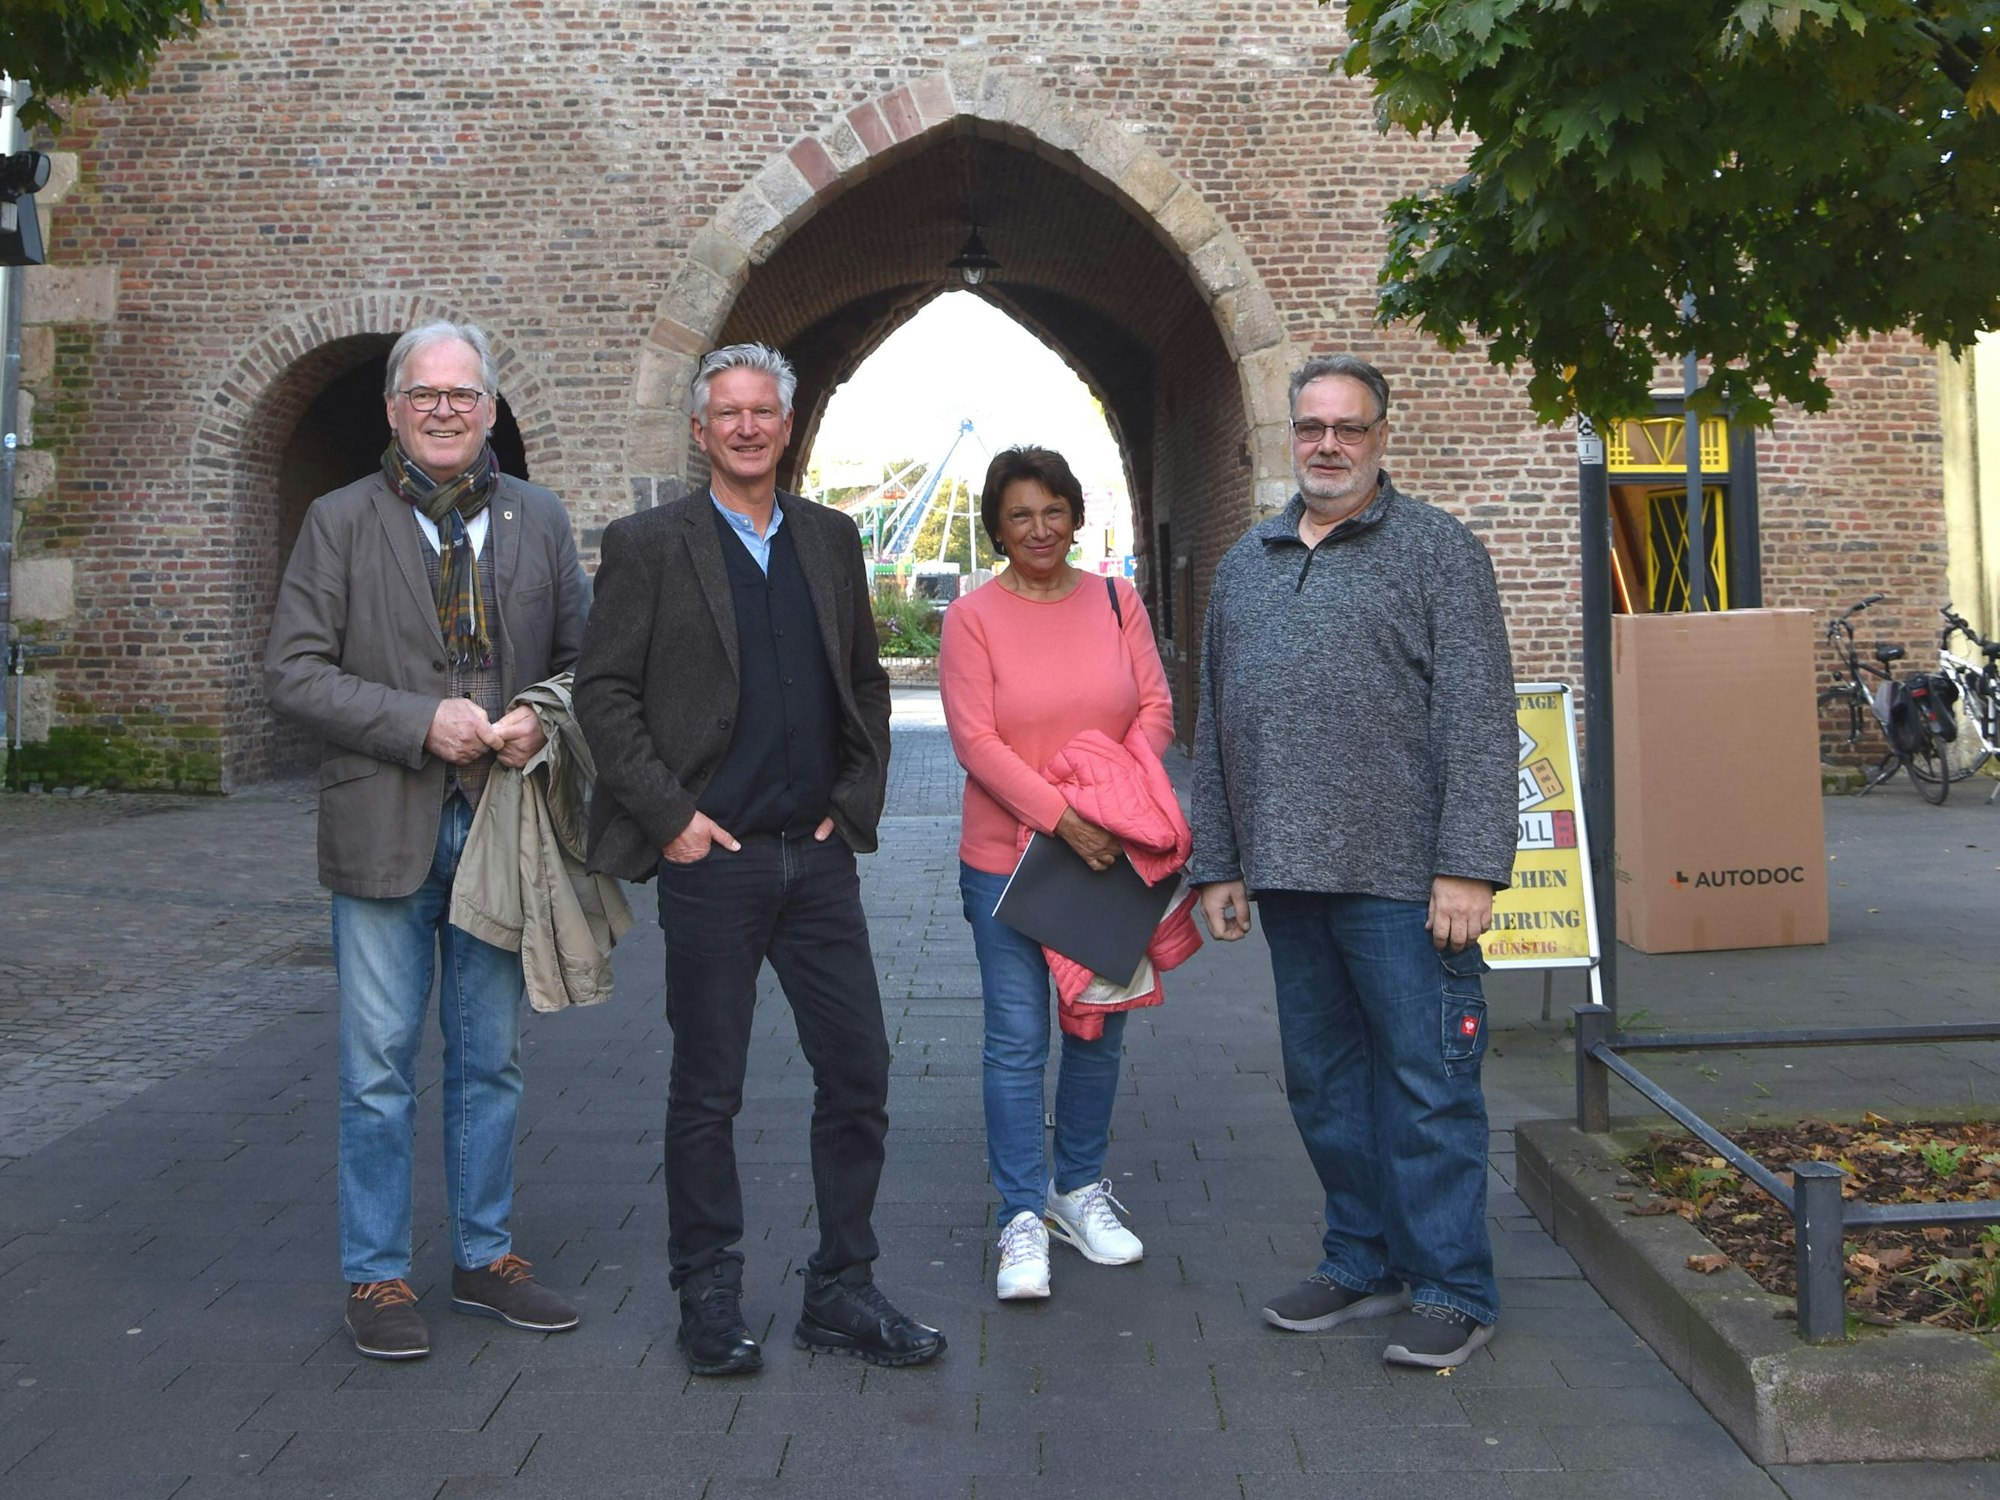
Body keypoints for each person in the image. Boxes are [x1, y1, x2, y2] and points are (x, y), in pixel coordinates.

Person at [573, 342, 945, 1376]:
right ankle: (708, 1291)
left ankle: (841, 1289)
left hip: (815, 860)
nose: (744, 427)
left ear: (788, 426)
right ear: (700, 431)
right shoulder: (649, 544)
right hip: (712, 860)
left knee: (859, 1072)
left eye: (761, 412)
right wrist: (674, 820)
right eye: (725, 413)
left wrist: (851, 802)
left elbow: (866, 685)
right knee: (708, 1088)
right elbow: (603, 692)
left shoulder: (830, 539)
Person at [267, 319, 591, 1361]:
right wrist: (420, 720)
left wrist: (546, 710)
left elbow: (595, 662)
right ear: (395, 410)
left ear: (491, 409)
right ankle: (378, 1275)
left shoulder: (538, 518)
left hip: (501, 827)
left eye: (463, 394)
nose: (444, 409)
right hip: (383, 823)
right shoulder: (338, 520)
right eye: (424, 394)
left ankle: (484, 1256)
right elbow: (295, 671)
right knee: (376, 1066)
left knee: (489, 1058)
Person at [1189, 354, 1517, 1369]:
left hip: (1403, 882)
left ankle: (1451, 1285)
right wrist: (1216, 861)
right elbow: (1216, 724)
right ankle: (1360, 1257)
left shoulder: (1437, 552)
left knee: (1425, 1086)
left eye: (1349, 428)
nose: (1327, 444)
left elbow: (1477, 718)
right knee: (1322, 1086)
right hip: (1286, 878)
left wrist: (1467, 864)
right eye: (1310, 427)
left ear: (1380, 438)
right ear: (1287, 434)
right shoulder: (1245, 560)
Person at [939, 446, 1176, 1301]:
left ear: (1076, 514)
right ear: (996, 528)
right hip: (1008, 865)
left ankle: (1076, 1190)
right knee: (1015, 1039)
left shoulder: (1117, 600)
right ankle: (1018, 1218)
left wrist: (1109, 801)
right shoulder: (971, 617)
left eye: (1053, 510)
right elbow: (976, 742)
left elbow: (1154, 708)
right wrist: (1066, 817)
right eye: (1018, 515)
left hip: (1110, 857)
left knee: (1098, 1029)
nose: (1038, 529)